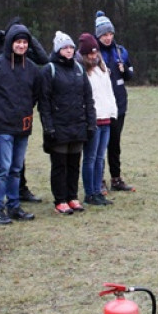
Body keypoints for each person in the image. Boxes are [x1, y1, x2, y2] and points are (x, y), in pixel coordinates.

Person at [0, 22, 40, 224]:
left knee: (16, 168)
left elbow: (35, 94)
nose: (21, 45)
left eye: (24, 42)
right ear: (10, 42)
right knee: (2, 168)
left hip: (22, 125)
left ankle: (14, 206)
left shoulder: (32, 68)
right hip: (1, 126)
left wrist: (25, 110)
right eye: (18, 42)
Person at [38, 31, 95, 215]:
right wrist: (48, 127)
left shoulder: (79, 69)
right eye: (65, 48)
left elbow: (88, 98)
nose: (69, 50)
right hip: (58, 126)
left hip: (78, 124)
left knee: (74, 164)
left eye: (71, 47)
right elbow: (44, 102)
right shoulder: (49, 70)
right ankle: (60, 200)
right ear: (57, 50)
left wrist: (91, 123)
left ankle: (72, 197)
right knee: (59, 165)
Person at [94, 11, 135, 192]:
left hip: (119, 105)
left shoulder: (121, 51)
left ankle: (116, 179)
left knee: (115, 143)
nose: (108, 37)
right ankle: (99, 180)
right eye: (104, 34)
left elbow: (131, 75)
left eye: (110, 33)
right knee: (100, 145)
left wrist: (124, 69)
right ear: (98, 35)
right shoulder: (93, 53)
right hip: (100, 106)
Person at [78, 32, 117, 206]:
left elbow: (109, 92)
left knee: (100, 157)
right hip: (92, 120)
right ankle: (90, 193)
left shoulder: (102, 69)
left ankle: (98, 191)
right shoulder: (82, 71)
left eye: (95, 53)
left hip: (106, 119)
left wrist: (112, 112)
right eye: (90, 54)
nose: (93, 56)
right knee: (90, 158)